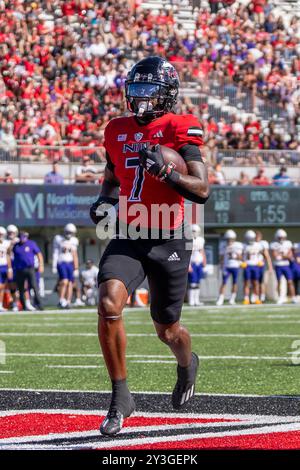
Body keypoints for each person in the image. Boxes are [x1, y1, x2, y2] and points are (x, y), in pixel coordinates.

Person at [90, 56, 209, 436]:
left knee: (167, 329)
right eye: (135, 90)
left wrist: (169, 172)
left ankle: (187, 360)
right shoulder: (116, 129)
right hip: (129, 233)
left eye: (148, 91)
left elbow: (202, 190)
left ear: (167, 95)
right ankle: (120, 396)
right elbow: (111, 177)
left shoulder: (180, 126)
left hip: (170, 236)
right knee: (109, 302)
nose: (140, 98)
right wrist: (105, 200)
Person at [13, 232, 44, 311]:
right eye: (21, 237)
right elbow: (10, 253)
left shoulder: (31, 244)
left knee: (34, 286)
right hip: (19, 270)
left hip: (30, 268)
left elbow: (39, 254)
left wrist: (41, 265)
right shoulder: (16, 245)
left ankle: (39, 304)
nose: (22, 239)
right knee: (21, 288)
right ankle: (23, 306)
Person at [52, 224, 80, 309]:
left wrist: (76, 267)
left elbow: (75, 254)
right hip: (61, 262)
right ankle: (61, 300)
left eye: (71, 232)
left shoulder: (74, 240)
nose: (69, 234)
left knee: (70, 283)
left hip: (70, 263)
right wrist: (54, 265)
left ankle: (68, 301)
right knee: (64, 281)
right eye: (68, 232)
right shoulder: (58, 239)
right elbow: (55, 253)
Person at [270, 229, 298, 305]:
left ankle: (293, 297)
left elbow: (290, 255)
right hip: (278, 265)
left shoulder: (288, 243)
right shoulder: (273, 244)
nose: (281, 239)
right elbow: (275, 256)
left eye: (282, 237)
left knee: (290, 281)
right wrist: (284, 255)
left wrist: (281, 255)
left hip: (286, 265)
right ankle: (280, 297)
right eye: (280, 237)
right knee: (279, 282)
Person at [216, 230, 243, 306]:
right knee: (224, 282)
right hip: (226, 266)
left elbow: (241, 257)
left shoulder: (238, 245)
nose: (229, 241)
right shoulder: (223, 245)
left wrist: (236, 254)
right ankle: (221, 299)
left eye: (231, 239)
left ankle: (232, 299)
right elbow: (221, 257)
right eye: (228, 239)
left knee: (234, 282)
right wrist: (221, 266)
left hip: (235, 266)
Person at [242, 230, 263, 305]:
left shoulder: (258, 245)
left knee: (256, 282)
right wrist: (242, 262)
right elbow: (241, 256)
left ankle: (256, 298)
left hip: (255, 265)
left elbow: (261, 255)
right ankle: (246, 298)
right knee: (246, 282)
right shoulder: (244, 246)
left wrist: (260, 261)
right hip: (247, 265)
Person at [188, 225, 206, 306]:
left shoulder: (201, 240)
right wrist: (189, 265)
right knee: (192, 283)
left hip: (199, 263)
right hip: (192, 263)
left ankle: (197, 300)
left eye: (196, 231)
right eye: (193, 231)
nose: (195, 233)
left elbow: (202, 251)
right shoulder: (188, 240)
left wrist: (204, 261)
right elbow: (187, 254)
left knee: (198, 282)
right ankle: (191, 300)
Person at [256, 231, 273, 302]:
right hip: (254, 265)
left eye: (258, 236)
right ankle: (255, 297)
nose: (257, 238)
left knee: (262, 282)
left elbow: (267, 256)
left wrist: (270, 266)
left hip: (261, 265)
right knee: (255, 282)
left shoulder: (263, 244)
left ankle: (262, 297)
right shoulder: (251, 244)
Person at [0, 227, 13, 311]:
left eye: (1, 234)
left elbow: (8, 256)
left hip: (4, 266)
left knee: (3, 287)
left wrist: (9, 268)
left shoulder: (7, 243)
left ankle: (0, 305)